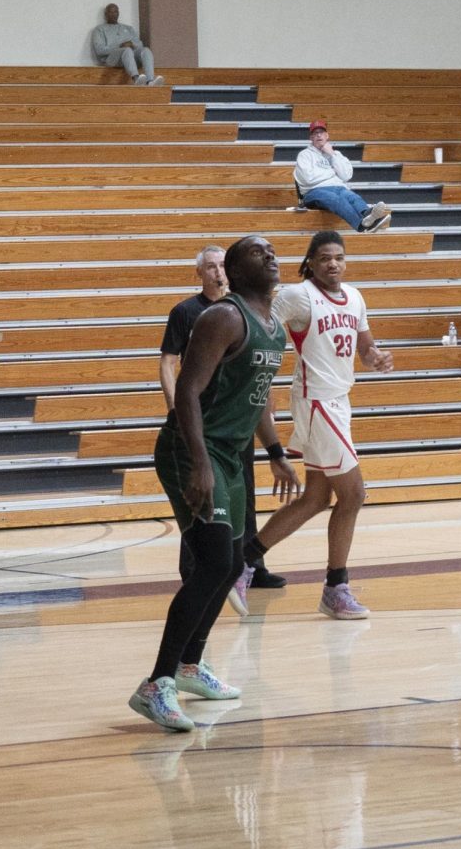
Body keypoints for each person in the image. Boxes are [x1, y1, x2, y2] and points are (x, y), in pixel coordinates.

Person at [128, 236, 300, 732]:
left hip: (231, 453)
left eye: (271, 251)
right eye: (255, 253)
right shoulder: (223, 318)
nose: (269, 257)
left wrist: (274, 452)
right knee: (212, 564)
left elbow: (258, 399)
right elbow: (186, 390)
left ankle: (188, 666)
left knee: (233, 562)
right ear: (234, 271)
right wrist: (199, 464)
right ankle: (155, 684)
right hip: (192, 449)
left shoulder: (273, 328)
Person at [230, 231, 394, 620]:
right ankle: (336, 587)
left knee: (317, 498)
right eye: (324, 258)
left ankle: (244, 561)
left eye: (338, 257)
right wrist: (262, 377)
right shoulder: (298, 295)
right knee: (353, 494)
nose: (332, 264)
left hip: (339, 401)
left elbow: (364, 349)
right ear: (311, 262)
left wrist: (377, 358)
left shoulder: (354, 297)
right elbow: (260, 326)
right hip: (315, 400)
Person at [159, 245, 285, 594]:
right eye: (210, 266)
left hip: (236, 431)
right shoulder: (198, 313)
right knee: (205, 519)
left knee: (237, 516)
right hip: (204, 430)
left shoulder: (265, 319)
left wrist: (275, 448)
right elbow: (174, 369)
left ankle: (248, 567)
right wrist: (177, 408)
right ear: (200, 272)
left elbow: (257, 381)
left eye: (219, 266)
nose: (216, 272)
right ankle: (197, 574)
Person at [294, 119, 391, 233]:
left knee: (352, 197)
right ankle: (362, 226)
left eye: (322, 132)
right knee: (335, 199)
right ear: (311, 138)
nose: (319, 135)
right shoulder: (304, 155)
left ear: (327, 136)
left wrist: (332, 155)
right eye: (315, 133)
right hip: (313, 192)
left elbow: (346, 176)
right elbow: (308, 178)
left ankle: (368, 216)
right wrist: (332, 172)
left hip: (339, 188)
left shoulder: (336, 154)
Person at [91, 3, 164, 86]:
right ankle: (136, 79)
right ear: (106, 14)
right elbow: (99, 50)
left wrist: (132, 44)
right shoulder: (99, 29)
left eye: (115, 12)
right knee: (126, 50)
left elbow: (140, 44)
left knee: (146, 50)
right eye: (110, 12)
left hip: (130, 57)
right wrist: (119, 46)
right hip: (112, 59)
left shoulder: (128, 28)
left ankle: (150, 80)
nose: (113, 14)